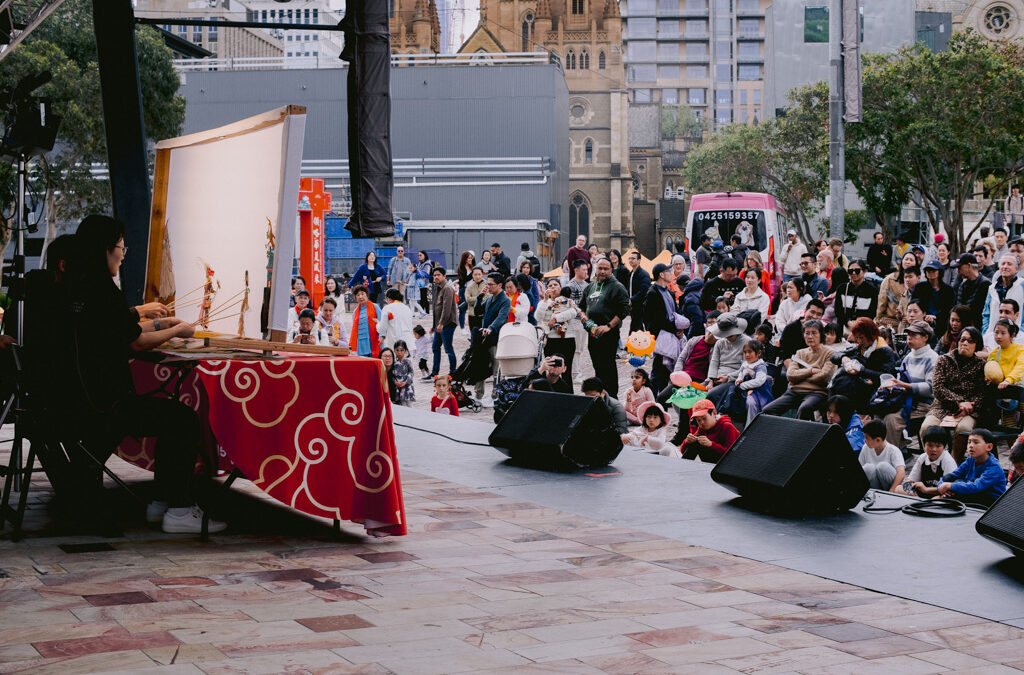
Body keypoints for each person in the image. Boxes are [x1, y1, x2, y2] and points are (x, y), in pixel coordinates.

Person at [61, 214, 225, 534]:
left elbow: (121, 327)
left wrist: (163, 323)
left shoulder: (79, 287)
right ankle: (177, 508)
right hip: (107, 405)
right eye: (121, 247)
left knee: (171, 414)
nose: (123, 254)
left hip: (83, 400)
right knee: (181, 419)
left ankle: (161, 503)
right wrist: (182, 330)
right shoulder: (103, 290)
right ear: (106, 249)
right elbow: (136, 341)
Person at [922, 327, 986, 463]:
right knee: (927, 427)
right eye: (962, 339)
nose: (965, 343)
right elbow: (938, 388)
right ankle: (933, 462)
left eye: (970, 341)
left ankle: (954, 463)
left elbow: (981, 392)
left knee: (964, 429)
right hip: (942, 406)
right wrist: (958, 402)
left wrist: (969, 405)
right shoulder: (943, 360)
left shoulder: (981, 365)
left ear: (977, 345)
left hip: (968, 410)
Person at [879, 321, 938, 449]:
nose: (909, 338)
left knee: (891, 420)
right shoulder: (908, 357)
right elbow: (900, 380)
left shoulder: (933, 358)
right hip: (906, 400)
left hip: (924, 404)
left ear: (925, 337)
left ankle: (893, 457)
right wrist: (892, 386)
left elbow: (930, 388)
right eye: (908, 334)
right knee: (879, 412)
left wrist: (904, 385)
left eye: (914, 335)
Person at [762, 319, 835, 420]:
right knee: (768, 410)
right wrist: (810, 371)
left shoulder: (830, 353)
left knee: (805, 408)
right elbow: (790, 374)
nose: (810, 336)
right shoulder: (800, 353)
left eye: (814, 333)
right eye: (807, 333)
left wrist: (799, 378)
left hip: (817, 392)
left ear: (821, 334)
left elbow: (824, 376)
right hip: (794, 392)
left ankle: (800, 434)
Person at [579, 258, 630, 397]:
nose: (602, 271)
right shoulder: (590, 286)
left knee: (608, 368)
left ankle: (611, 398)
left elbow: (624, 309)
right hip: (592, 334)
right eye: (600, 268)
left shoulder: (617, 287)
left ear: (611, 270)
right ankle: (600, 396)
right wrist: (583, 316)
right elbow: (581, 306)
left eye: (605, 269)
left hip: (609, 335)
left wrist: (608, 326)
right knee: (598, 367)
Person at [644, 262, 690, 394]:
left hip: (672, 334)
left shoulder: (669, 292)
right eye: (669, 272)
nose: (672, 274)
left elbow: (674, 313)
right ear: (661, 275)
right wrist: (673, 328)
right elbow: (654, 318)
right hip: (661, 336)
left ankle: (662, 400)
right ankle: (652, 399)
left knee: (666, 369)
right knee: (658, 369)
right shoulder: (653, 292)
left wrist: (679, 327)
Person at [937, 429, 1007, 507]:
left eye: (976, 442)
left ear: (989, 447)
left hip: (990, 503)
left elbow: (977, 486)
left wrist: (950, 486)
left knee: (952, 493)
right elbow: (952, 475)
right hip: (974, 495)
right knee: (954, 485)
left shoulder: (994, 467)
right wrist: (940, 485)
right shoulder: (970, 460)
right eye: (969, 442)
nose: (971, 445)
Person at [474, 272, 512, 401]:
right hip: (485, 338)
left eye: (491, 284)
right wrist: (480, 296)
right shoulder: (489, 298)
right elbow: (477, 311)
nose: (488, 286)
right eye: (487, 284)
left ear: (500, 285)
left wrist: (491, 328)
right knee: (480, 365)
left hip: (496, 338)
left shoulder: (505, 300)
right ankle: (478, 395)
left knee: (496, 369)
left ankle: (495, 396)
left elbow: (502, 317)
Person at [895, 426, 959, 497]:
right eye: (930, 445)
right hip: (923, 493)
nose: (934, 449)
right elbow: (911, 480)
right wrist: (911, 489)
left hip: (939, 494)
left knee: (942, 497)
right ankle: (919, 502)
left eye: (938, 446)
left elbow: (947, 489)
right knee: (899, 488)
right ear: (924, 445)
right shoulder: (922, 457)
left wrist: (926, 489)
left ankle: (920, 504)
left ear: (944, 447)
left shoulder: (948, 461)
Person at [537, 280, 579, 376]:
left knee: (566, 373)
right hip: (551, 341)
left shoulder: (567, 300)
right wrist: (545, 300)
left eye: (555, 285)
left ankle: (567, 391)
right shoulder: (545, 302)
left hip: (567, 339)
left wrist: (555, 318)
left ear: (560, 287)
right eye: (550, 285)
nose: (553, 287)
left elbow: (573, 312)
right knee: (551, 372)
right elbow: (539, 317)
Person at [981, 254, 1024, 338]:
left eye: (1009, 264)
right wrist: (986, 333)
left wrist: (1021, 333)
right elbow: (986, 313)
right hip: (993, 336)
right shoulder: (992, 288)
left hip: (1017, 336)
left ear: (1016, 269)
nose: (1005, 266)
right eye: (1003, 264)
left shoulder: (1022, 285)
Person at [427, 266, 458, 380]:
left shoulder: (447, 288)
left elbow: (447, 308)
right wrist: (434, 325)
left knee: (448, 348)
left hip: (448, 323)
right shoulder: (437, 287)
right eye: (434, 275)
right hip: (439, 324)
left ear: (444, 276)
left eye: (438, 275)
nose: (436, 277)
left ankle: (453, 372)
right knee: (435, 347)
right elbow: (436, 309)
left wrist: (441, 324)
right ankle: (435, 373)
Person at [734, 338, 773, 426]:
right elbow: (740, 374)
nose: (747, 355)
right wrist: (738, 380)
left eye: (750, 352)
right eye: (745, 352)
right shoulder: (744, 364)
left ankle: (750, 425)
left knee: (751, 403)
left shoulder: (760, 366)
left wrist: (743, 385)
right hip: (744, 389)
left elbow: (759, 381)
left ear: (758, 353)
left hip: (758, 391)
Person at [859, 419, 906, 491]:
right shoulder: (865, 448)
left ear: (878, 440)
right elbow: (859, 469)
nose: (865, 440)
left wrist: (892, 491)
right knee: (868, 468)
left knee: (882, 466)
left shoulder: (893, 450)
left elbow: (901, 473)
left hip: (891, 487)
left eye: (867, 438)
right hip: (875, 487)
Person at [914, 260, 956, 339]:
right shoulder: (919, 287)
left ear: (939, 271)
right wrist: (924, 316)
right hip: (922, 322)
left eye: (933, 270)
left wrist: (935, 317)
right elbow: (915, 304)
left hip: (942, 324)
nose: (930, 272)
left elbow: (949, 309)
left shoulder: (948, 290)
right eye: (928, 270)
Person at [778, 299, 826, 366]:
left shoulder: (821, 331)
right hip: (793, 364)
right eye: (812, 312)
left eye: (818, 314)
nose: (814, 316)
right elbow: (785, 353)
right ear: (805, 311)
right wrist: (793, 371)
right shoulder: (791, 328)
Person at [875, 253, 917, 330]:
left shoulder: (920, 282)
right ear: (901, 261)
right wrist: (878, 321)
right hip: (892, 322)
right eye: (906, 259)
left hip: (912, 324)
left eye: (911, 260)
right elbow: (882, 302)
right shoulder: (890, 279)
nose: (908, 262)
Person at [835, 260, 878, 330]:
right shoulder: (842, 288)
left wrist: (859, 323)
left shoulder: (871, 290)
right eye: (850, 271)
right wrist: (847, 322)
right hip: (844, 328)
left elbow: (872, 312)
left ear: (864, 272)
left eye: (857, 270)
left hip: (863, 328)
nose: (854, 273)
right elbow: (838, 311)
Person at [955, 253, 992, 323]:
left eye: (960, 268)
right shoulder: (963, 284)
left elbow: (976, 308)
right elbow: (958, 307)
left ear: (969, 265)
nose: (958, 271)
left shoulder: (985, 284)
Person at [348, 286, 380, 357]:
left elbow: (381, 323)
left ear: (367, 295)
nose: (360, 297)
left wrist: (382, 336)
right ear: (356, 298)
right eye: (358, 295)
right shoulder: (355, 312)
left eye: (362, 294)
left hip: (373, 341)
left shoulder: (375, 307)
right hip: (360, 343)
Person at [626, 250, 651, 332]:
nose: (630, 260)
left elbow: (644, 290)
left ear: (639, 260)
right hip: (633, 306)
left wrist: (632, 300)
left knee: (635, 328)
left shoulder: (644, 274)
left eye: (633, 258)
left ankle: (629, 345)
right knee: (638, 329)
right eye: (629, 258)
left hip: (641, 306)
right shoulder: (631, 273)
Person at [456, 250, 476, 332]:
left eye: (471, 258)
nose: (470, 260)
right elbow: (463, 280)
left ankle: (473, 326)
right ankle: (462, 328)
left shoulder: (472, 267)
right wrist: (472, 274)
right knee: (463, 309)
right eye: (468, 258)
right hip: (464, 290)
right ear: (465, 259)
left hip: (472, 289)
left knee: (473, 308)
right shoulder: (461, 268)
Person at [391, 340, 416, 406]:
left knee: (409, 404)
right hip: (398, 386)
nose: (399, 352)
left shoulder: (407, 361)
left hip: (407, 386)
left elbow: (411, 372)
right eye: (397, 350)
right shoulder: (394, 363)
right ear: (394, 350)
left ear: (405, 351)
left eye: (401, 350)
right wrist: (395, 382)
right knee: (402, 404)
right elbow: (392, 375)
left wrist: (406, 382)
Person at [464, 266, 486, 333]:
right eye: (475, 274)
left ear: (482, 274)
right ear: (472, 275)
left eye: (479, 274)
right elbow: (468, 300)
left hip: (483, 315)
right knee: (473, 336)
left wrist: (474, 299)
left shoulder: (487, 286)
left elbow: (486, 300)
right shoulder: (469, 287)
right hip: (472, 315)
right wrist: (479, 298)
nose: (477, 276)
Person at [413, 250, 432, 315]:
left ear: (425, 255)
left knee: (425, 299)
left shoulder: (427, 264)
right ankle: (423, 312)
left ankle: (426, 312)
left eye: (420, 255)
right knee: (421, 299)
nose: (419, 256)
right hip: (421, 284)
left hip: (426, 284)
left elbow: (426, 274)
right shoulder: (419, 263)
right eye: (418, 255)